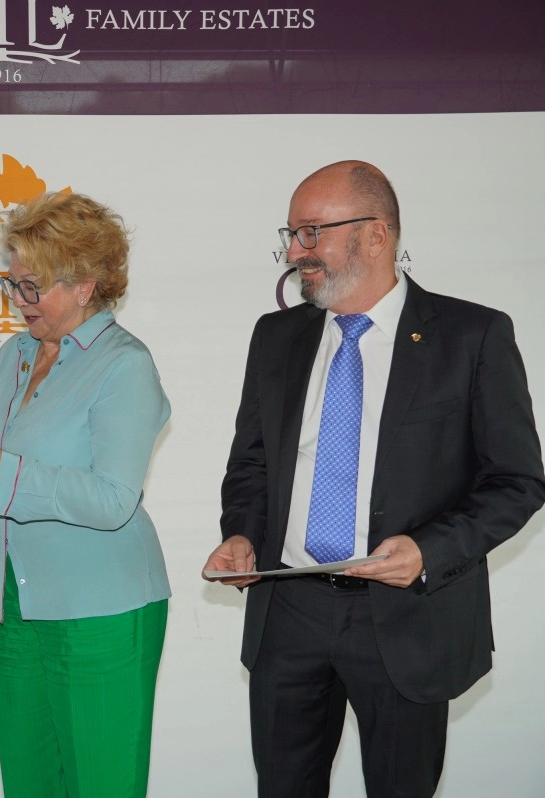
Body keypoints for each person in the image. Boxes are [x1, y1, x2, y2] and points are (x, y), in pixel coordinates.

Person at [203, 160, 544, 797]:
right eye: (292, 234)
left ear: (377, 235)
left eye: (312, 232)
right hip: (289, 613)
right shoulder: (276, 336)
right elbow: (252, 462)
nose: (295, 251)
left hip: (409, 617)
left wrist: (429, 550)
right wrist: (242, 534)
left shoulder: (472, 335)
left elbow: (517, 480)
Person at [0, 192, 171, 797]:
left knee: (101, 785)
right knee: (29, 784)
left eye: (33, 287)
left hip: (100, 607)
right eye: (13, 284)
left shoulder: (125, 365)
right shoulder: (15, 354)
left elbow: (113, 500)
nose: (19, 300)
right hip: (11, 601)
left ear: (86, 286)